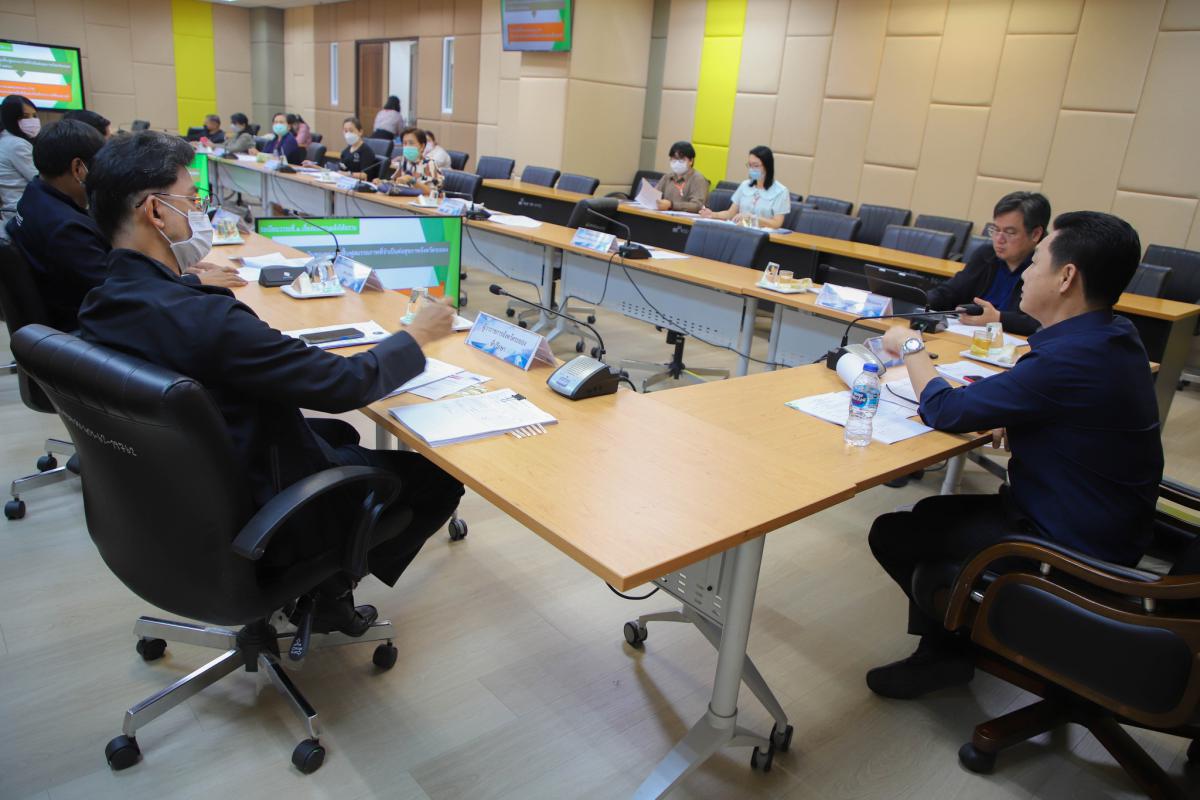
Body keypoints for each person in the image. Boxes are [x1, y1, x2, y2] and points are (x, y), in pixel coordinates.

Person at [78, 131, 464, 634]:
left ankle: (323, 586)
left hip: (167, 508)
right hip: (257, 513)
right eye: (193, 200)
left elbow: (174, 322)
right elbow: (346, 384)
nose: (200, 212)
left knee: (340, 435)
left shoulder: (101, 304)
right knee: (438, 478)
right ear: (156, 212)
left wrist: (186, 281)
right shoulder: (210, 321)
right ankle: (328, 590)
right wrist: (417, 337)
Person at [864, 210, 1163, 700]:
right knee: (931, 514)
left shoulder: (1069, 359)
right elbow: (1068, 403)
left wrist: (911, 345)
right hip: (1108, 524)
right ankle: (954, 642)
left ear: (1066, 277)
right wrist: (1024, 414)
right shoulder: (1113, 335)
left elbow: (943, 409)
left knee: (895, 533)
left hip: (1071, 544)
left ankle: (949, 653)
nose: (1024, 273)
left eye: (1037, 261)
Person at [5, 120, 245, 331]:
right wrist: (193, 282)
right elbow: (122, 292)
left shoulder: (36, 194)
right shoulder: (65, 228)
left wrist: (165, 266)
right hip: (83, 325)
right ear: (79, 169)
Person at [927, 192, 1049, 337]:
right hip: (967, 336)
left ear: (1035, 234)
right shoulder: (986, 255)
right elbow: (950, 292)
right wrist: (922, 300)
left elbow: (1038, 322)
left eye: (1010, 232)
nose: (999, 239)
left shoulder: (1046, 268)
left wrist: (998, 318)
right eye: (995, 230)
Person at [699, 145, 789, 228]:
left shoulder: (780, 191)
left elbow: (776, 223)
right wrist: (713, 215)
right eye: (750, 165)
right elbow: (731, 213)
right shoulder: (745, 185)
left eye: (756, 166)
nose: (752, 169)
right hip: (742, 231)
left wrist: (752, 219)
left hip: (764, 235)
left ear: (768, 166)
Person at [0, 94, 40, 237]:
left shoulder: (5, 139)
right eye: (25, 116)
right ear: (11, 118)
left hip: (15, 212)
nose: (32, 121)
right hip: (24, 213)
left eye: (34, 116)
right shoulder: (17, 144)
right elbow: (38, 178)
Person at [379, 126, 443, 196]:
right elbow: (396, 181)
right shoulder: (404, 161)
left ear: (422, 146)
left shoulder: (429, 164)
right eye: (404, 143)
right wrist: (382, 182)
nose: (407, 146)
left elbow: (431, 192)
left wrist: (411, 180)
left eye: (411, 143)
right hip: (407, 198)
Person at [653, 141, 708, 212]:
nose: (677, 163)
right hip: (662, 216)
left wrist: (672, 205)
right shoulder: (667, 177)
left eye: (681, 160)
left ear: (691, 161)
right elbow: (654, 196)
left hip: (684, 218)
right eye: (674, 159)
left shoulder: (698, 179)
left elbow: (697, 205)